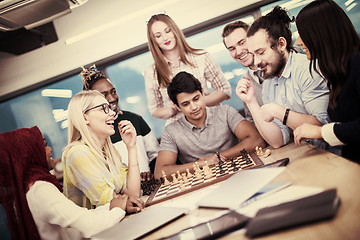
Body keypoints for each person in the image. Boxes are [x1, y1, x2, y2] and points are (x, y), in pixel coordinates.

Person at [0, 126, 129, 240]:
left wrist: (112, 206)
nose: (50, 149)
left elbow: (79, 216)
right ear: (29, 154)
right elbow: (90, 226)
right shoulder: (39, 189)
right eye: (43, 145)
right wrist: (117, 210)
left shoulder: (25, 190)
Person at [236, 6, 330, 148]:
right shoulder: (269, 82)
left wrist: (278, 112)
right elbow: (277, 141)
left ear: (281, 44)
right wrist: (251, 102)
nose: (256, 62)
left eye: (260, 52)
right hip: (308, 154)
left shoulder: (308, 69)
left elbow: (323, 127)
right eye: (253, 54)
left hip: (335, 155)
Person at [154, 71, 265, 179]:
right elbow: (160, 173)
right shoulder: (171, 131)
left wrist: (217, 158)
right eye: (185, 104)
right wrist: (202, 163)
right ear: (177, 107)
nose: (194, 107)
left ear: (202, 92)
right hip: (201, 184)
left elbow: (257, 140)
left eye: (196, 99)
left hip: (239, 175)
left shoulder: (225, 112)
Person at [293, 0, 360, 162]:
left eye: (302, 33)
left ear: (320, 33)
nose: (298, 42)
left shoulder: (358, 63)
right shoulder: (339, 71)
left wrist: (321, 132)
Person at [62, 90, 144, 210]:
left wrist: (131, 147)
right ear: (84, 118)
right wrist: (125, 201)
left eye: (110, 108)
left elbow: (133, 195)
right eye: (103, 108)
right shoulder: (77, 153)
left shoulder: (108, 152)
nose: (112, 113)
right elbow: (113, 204)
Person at [144, 13, 231, 125]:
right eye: (158, 35)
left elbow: (225, 90)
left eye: (168, 31)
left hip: (212, 121)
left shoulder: (201, 57)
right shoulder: (151, 72)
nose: (165, 38)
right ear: (153, 40)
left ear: (175, 30)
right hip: (180, 128)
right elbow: (155, 110)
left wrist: (196, 102)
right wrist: (174, 108)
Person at [80, 65, 160, 181]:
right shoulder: (92, 134)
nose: (112, 98)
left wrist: (151, 173)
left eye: (113, 92)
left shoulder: (135, 119)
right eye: (104, 95)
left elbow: (155, 155)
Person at [222, 20, 264, 124]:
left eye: (242, 43)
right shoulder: (245, 84)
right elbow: (253, 122)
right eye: (232, 49)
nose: (239, 51)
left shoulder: (278, 65)